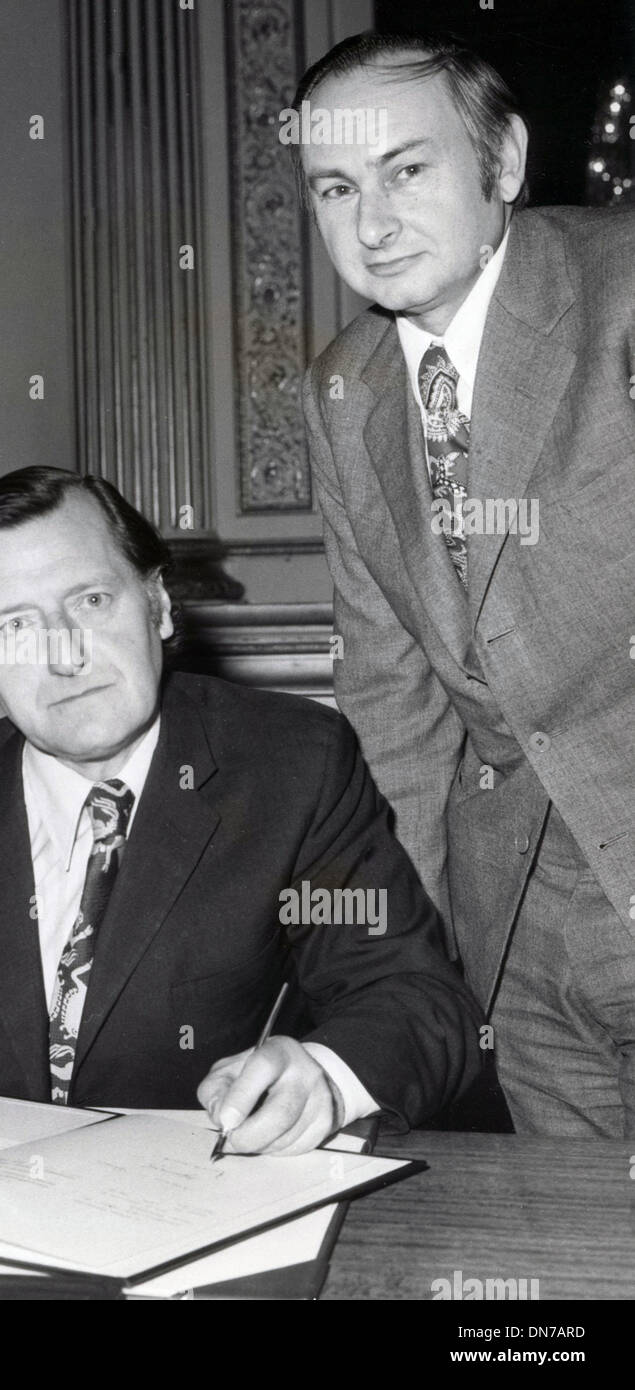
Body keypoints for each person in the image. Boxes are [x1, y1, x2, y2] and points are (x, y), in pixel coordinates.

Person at [0, 467, 481, 1154]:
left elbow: (413, 998)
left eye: (91, 600)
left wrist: (327, 1078)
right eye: (15, 627)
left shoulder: (290, 767)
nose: (63, 654)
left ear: (156, 606)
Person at [295, 31, 635, 1134]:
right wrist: (412, 963)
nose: (373, 222)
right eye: (336, 187)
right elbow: (393, 702)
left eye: (406, 170)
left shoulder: (621, 286)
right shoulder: (343, 392)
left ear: (503, 160)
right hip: (518, 944)